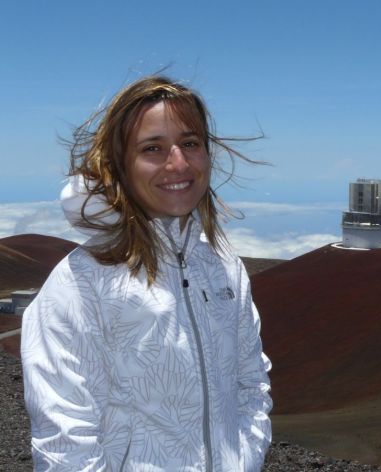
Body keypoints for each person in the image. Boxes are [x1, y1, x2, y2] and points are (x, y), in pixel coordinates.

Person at [20, 76, 272, 471]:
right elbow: (66, 449)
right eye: (152, 148)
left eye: (190, 143)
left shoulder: (223, 268)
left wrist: (245, 462)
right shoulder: (80, 284)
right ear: (120, 164)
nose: (179, 163)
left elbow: (251, 387)